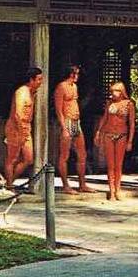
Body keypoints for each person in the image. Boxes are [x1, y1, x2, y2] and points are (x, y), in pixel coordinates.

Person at [54, 65, 93, 194]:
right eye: (75, 73)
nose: (77, 75)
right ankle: (66, 185)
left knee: (82, 154)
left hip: (76, 122)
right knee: (64, 155)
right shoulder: (61, 87)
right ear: (71, 74)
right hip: (67, 121)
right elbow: (59, 110)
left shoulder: (74, 87)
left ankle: (82, 184)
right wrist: (64, 127)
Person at [94, 82, 135, 201]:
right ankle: (111, 190)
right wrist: (98, 132)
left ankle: (118, 189)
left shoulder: (129, 104)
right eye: (111, 91)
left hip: (122, 134)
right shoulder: (109, 103)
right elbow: (104, 118)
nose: (113, 93)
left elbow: (131, 124)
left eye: (116, 91)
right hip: (108, 134)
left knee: (118, 165)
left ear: (122, 92)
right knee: (110, 165)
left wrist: (130, 141)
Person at [4, 67, 44, 189]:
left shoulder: (32, 93)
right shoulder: (22, 92)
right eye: (38, 79)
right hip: (16, 127)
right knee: (12, 158)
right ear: (31, 80)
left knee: (28, 159)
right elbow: (18, 114)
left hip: (26, 126)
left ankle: (9, 183)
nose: (40, 82)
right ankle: (10, 186)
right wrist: (21, 133)